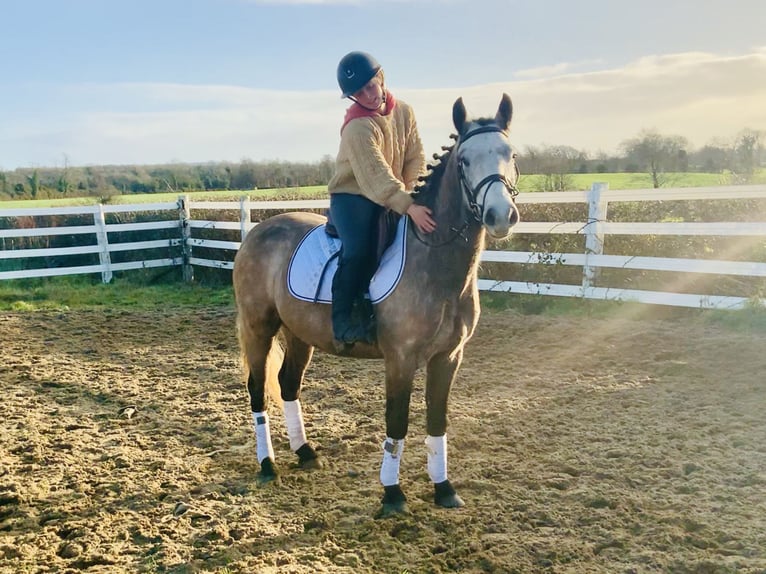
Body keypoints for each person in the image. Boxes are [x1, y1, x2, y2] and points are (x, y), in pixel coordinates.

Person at [328, 51, 436, 347]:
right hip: (354, 196)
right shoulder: (357, 128)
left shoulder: (405, 112)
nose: (368, 95)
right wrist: (409, 206)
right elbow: (376, 178)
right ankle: (342, 322)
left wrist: (412, 192)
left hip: (396, 193)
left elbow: (415, 156)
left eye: (370, 86)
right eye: (358, 93)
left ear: (381, 78)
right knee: (360, 250)